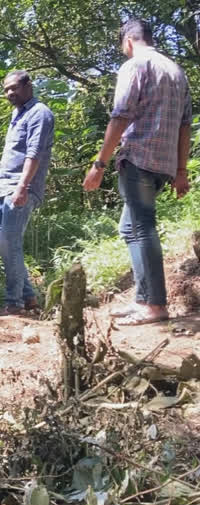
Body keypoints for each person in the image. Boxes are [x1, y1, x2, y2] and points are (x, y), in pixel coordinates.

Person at [83, 19, 192, 325]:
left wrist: (99, 165)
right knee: (130, 228)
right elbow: (185, 125)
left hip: (140, 158)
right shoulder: (176, 71)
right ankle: (143, 299)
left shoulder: (135, 66)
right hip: (164, 164)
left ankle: (155, 305)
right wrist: (181, 170)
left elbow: (120, 116)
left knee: (142, 227)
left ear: (128, 41)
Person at [0, 70, 55, 315]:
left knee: (10, 241)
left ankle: (14, 302)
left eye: (14, 88)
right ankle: (29, 296)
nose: (9, 93)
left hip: (22, 187)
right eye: (6, 89)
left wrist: (22, 187)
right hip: (8, 188)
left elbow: (34, 152)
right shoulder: (17, 114)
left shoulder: (40, 113)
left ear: (28, 85)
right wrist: (2, 191)